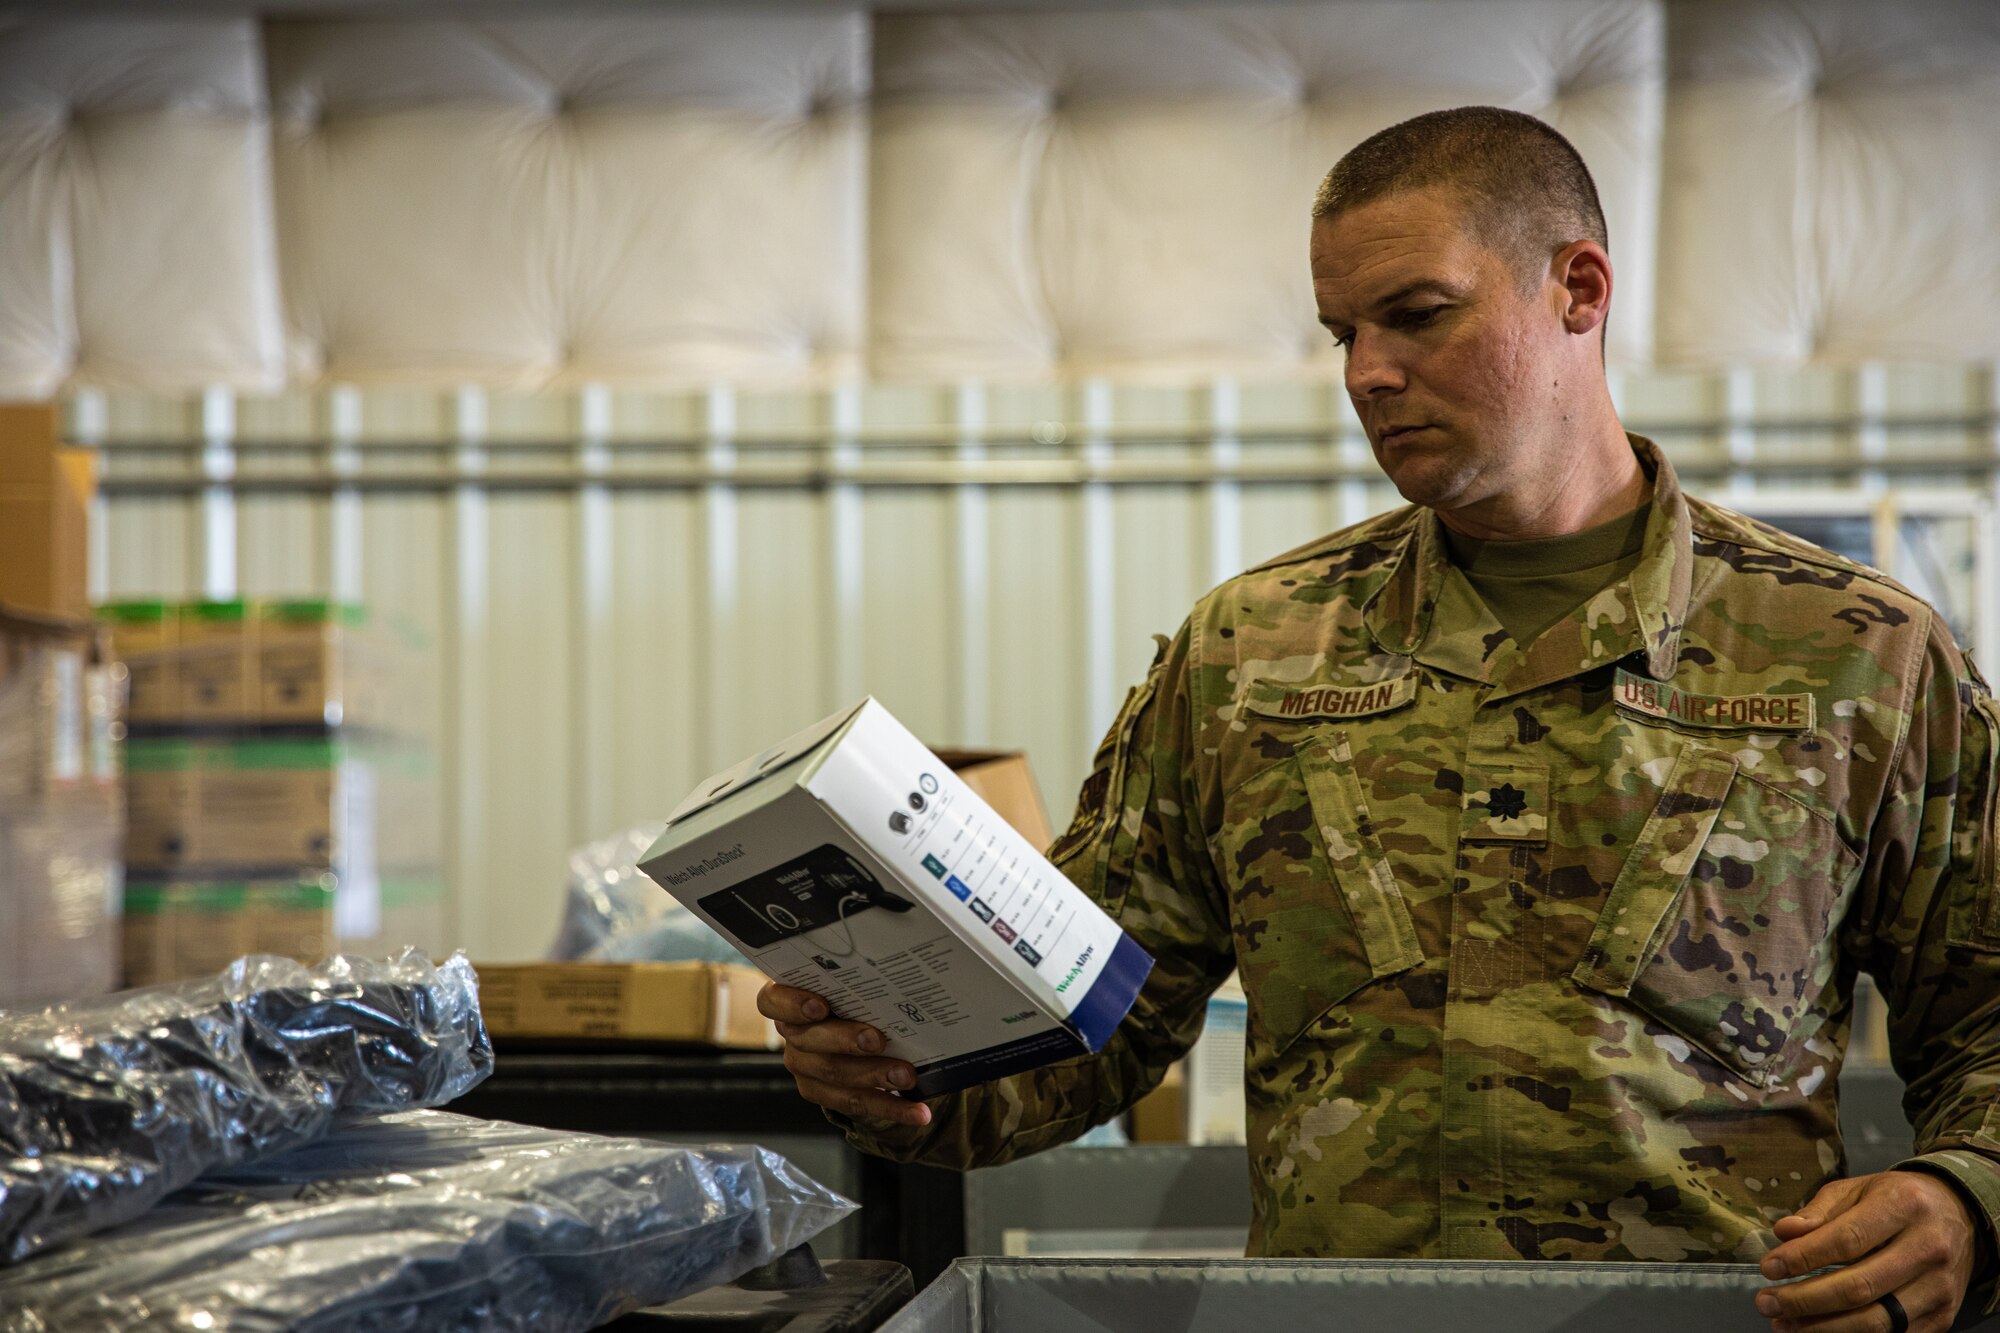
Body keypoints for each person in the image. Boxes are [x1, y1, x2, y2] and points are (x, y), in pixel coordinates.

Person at [760, 107, 2000, 1333]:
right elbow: (1085, 1026)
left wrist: (1959, 1196)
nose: (1365, 372)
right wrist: (899, 1068)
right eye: (1341, 332)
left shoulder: (1855, 653)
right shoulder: (1250, 655)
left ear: (1577, 290)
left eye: (1414, 314)